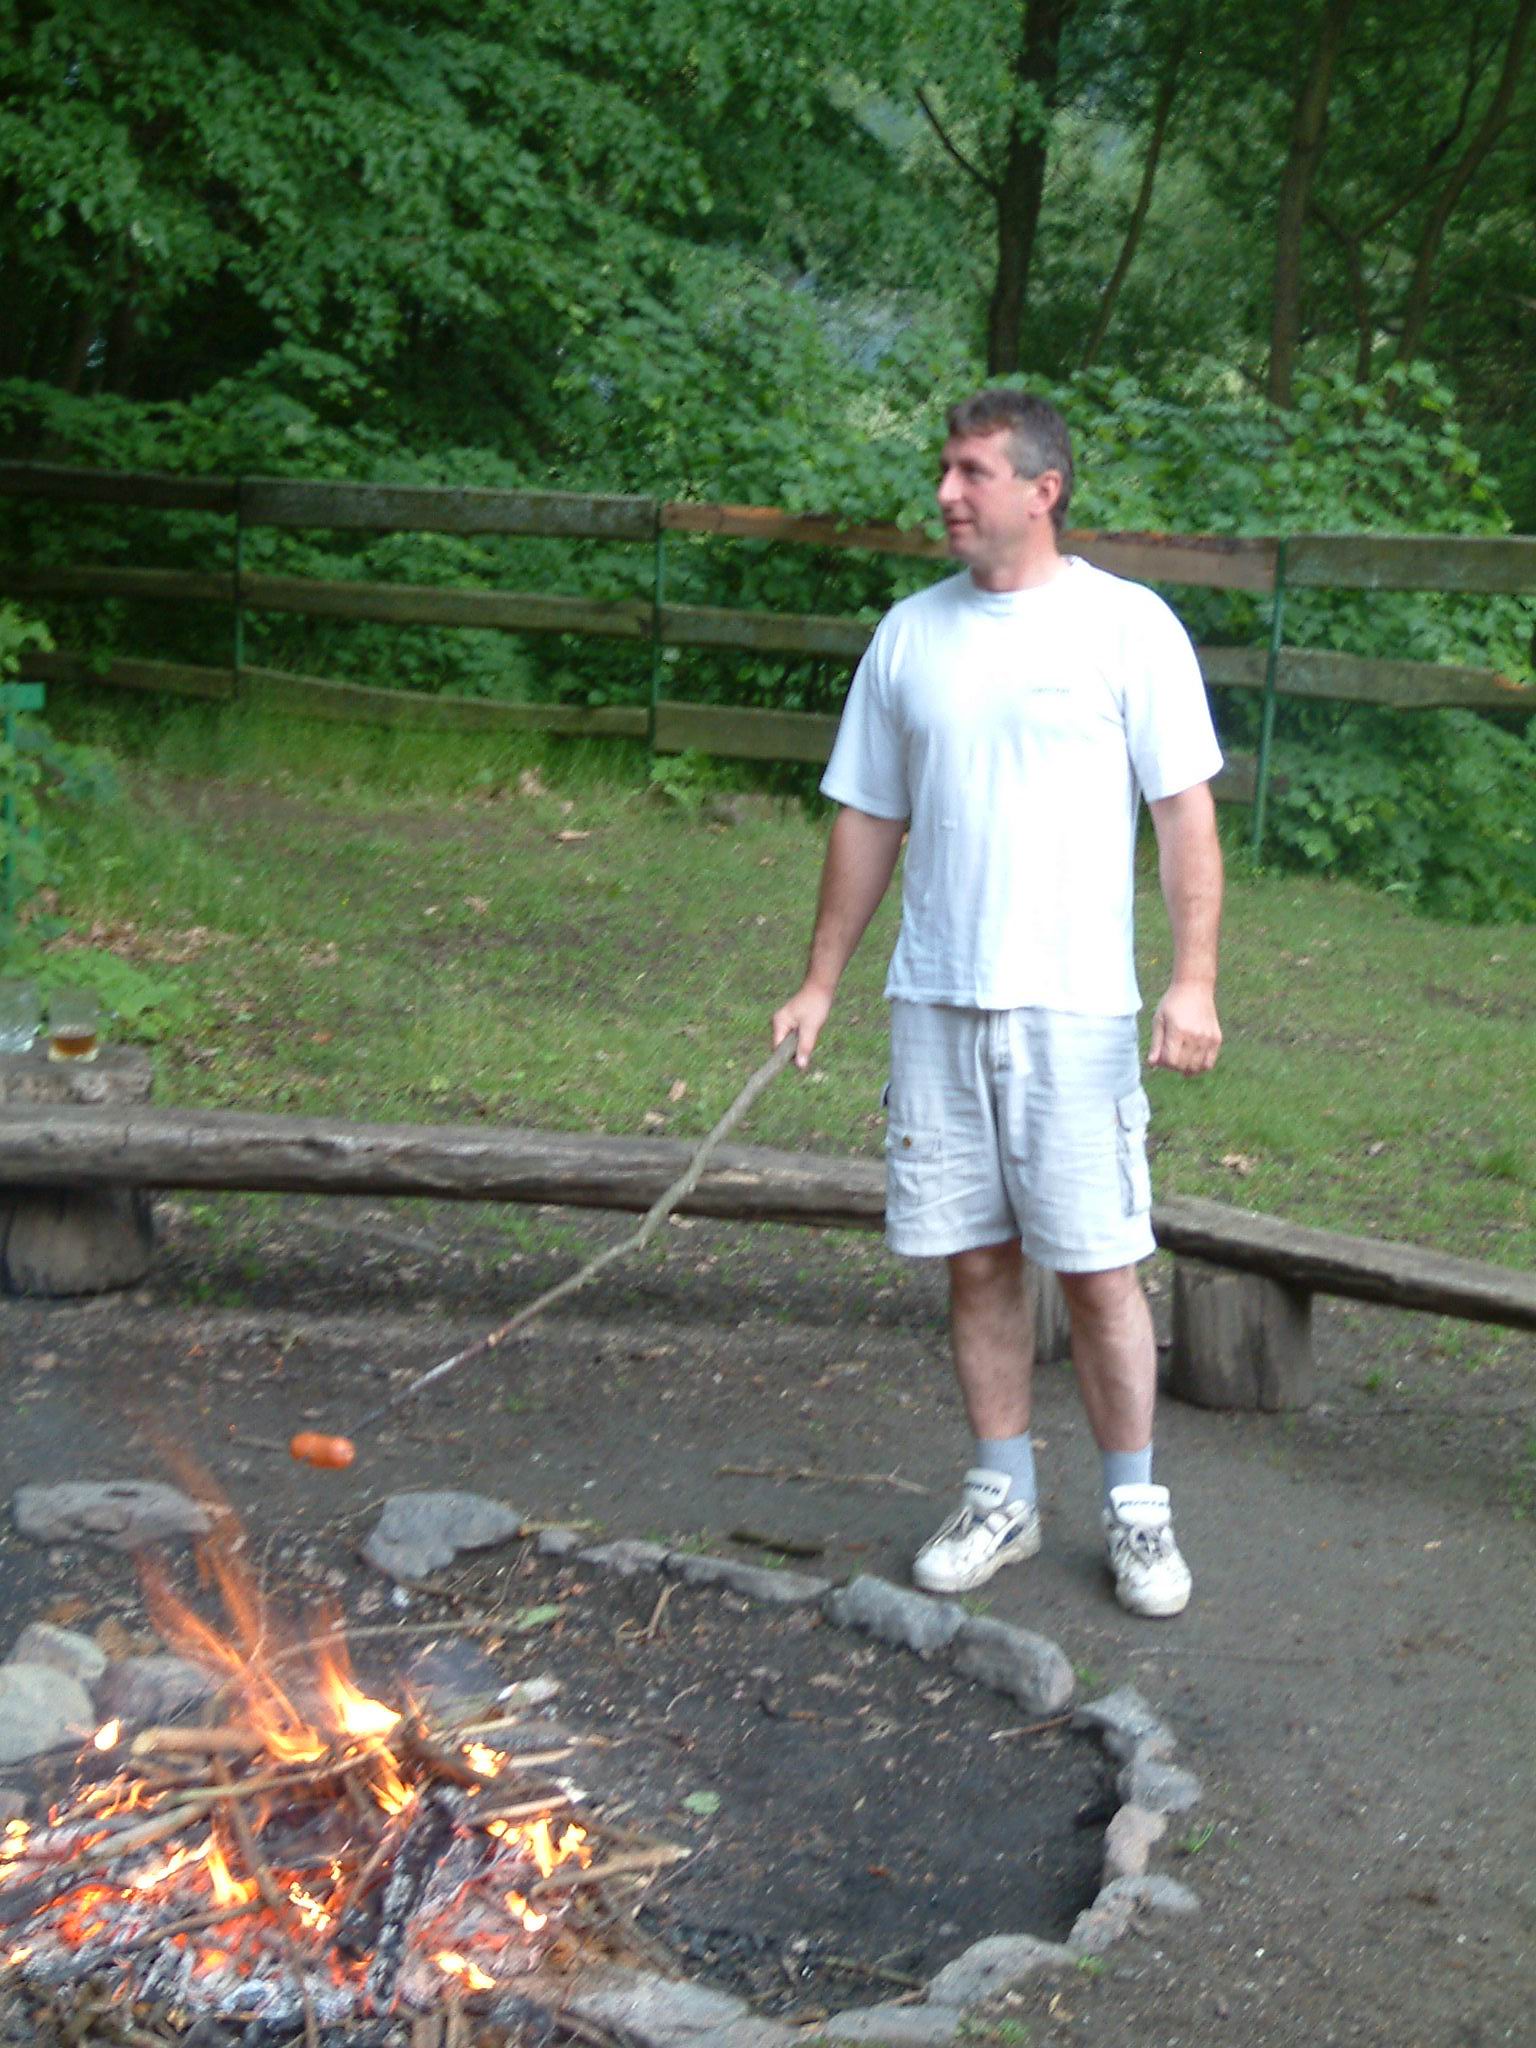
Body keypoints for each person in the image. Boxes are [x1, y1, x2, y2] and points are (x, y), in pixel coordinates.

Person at [770, 387, 1224, 1619]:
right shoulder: (910, 635)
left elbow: (1185, 814)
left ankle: (1136, 1509)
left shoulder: (1127, 627)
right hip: (937, 999)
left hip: (1075, 1008)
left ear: (1043, 488)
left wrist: (1192, 978)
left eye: (971, 472)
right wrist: (821, 980)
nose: (946, 494)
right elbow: (868, 815)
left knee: (1098, 1267)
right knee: (975, 1260)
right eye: (945, 469)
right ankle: (1001, 1493)